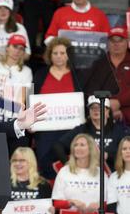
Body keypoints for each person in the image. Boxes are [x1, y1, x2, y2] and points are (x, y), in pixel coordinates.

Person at [33, 36, 81, 178]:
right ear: (49, 55)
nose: (59, 56)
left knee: (71, 167)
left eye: (63, 53)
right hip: (45, 130)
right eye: (55, 53)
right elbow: (30, 98)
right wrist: (31, 120)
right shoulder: (39, 74)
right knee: (45, 167)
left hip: (71, 131)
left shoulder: (79, 75)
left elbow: (83, 102)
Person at [53, 95, 129, 172]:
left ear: (107, 111)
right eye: (92, 108)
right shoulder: (81, 129)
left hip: (114, 174)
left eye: (100, 107)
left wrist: (108, 155)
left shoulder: (120, 130)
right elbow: (58, 146)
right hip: (86, 175)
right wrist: (68, 164)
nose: (96, 110)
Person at [51, 133, 112, 214]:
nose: (78, 148)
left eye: (82, 145)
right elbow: (56, 203)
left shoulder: (101, 174)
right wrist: (70, 202)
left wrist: (98, 205)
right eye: (75, 145)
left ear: (91, 149)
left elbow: (108, 203)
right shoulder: (64, 171)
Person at [84, 26, 130, 126]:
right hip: (102, 115)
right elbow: (92, 89)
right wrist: (106, 105)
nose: (116, 44)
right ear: (107, 43)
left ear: (127, 42)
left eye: (120, 40)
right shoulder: (98, 64)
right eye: (112, 40)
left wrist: (120, 102)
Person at [44, 0, 110, 44]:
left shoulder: (100, 15)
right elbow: (49, 37)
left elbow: (107, 40)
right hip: (65, 53)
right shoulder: (60, 13)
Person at [0, 34, 32, 113]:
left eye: (21, 48)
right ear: (7, 48)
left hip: (14, 118)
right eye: (15, 46)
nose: (17, 51)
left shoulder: (27, 71)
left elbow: (19, 104)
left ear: (23, 52)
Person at [107, 136, 130, 214]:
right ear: (120, 153)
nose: (128, 151)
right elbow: (111, 207)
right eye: (124, 149)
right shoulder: (114, 177)